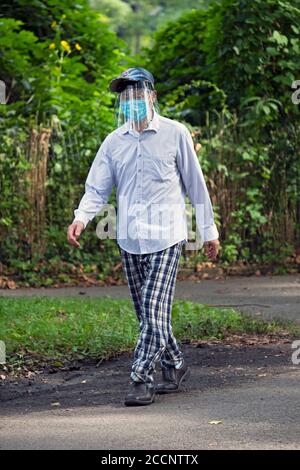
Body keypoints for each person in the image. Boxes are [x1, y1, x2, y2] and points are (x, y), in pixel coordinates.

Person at [67, 67, 220, 406]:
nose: (131, 101)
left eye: (137, 94)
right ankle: (175, 362)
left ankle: (140, 377)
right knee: (149, 315)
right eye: (125, 96)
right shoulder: (114, 141)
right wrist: (81, 218)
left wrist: (208, 231)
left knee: (152, 311)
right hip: (130, 239)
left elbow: (196, 184)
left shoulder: (175, 133)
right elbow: (97, 187)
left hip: (168, 236)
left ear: (152, 96)